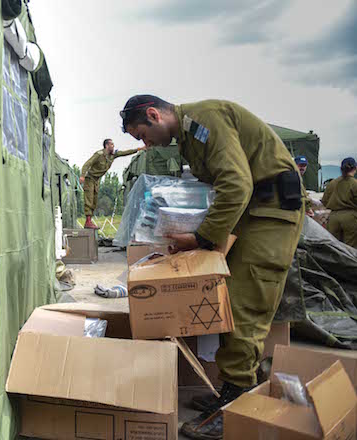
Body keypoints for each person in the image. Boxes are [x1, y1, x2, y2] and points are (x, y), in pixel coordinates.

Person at [120, 95, 303, 440]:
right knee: (224, 297)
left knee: (242, 302)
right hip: (252, 213)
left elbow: (236, 184)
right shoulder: (189, 136)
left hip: (270, 214)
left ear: (154, 115)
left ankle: (237, 404)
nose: (146, 144)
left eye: (143, 135)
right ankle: (236, 389)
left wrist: (201, 237)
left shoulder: (203, 120)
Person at [79, 139, 143, 229]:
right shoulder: (99, 154)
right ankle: (88, 221)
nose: (113, 146)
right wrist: (82, 176)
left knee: (94, 201)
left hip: (97, 180)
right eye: (111, 144)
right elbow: (87, 164)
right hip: (90, 179)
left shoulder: (112, 155)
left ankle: (90, 221)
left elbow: (125, 153)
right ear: (106, 146)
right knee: (89, 199)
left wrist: (139, 149)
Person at [321, 157, 357, 248]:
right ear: (355, 168)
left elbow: (324, 201)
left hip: (333, 218)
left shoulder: (332, 183)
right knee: (350, 248)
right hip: (350, 218)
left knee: (334, 248)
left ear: (341, 169)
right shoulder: (355, 184)